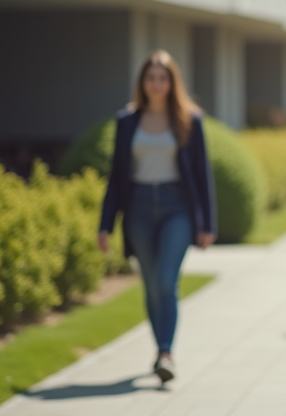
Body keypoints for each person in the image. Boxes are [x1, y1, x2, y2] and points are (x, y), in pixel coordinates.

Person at [98, 50, 216, 384]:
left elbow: (203, 175)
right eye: (151, 78)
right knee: (150, 286)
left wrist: (208, 224)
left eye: (162, 78)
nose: (156, 83)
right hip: (138, 207)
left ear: (171, 82)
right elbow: (116, 176)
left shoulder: (189, 120)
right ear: (143, 83)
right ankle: (159, 350)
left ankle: (166, 353)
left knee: (167, 280)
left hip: (176, 206)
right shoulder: (126, 121)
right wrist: (105, 224)